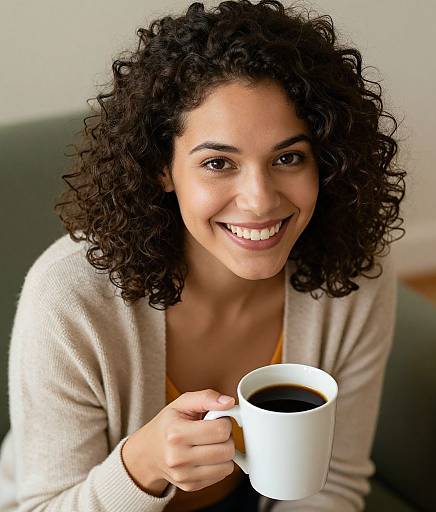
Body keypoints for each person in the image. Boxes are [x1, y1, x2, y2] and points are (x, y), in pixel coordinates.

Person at [0, 0, 406, 510]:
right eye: (218, 162)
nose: (259, 199)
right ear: (162, 169)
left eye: (288, 157)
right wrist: (141, 467)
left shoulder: (354, 274)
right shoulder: (70, 298)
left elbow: (334, 483)